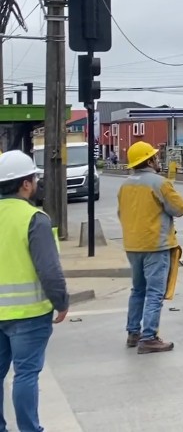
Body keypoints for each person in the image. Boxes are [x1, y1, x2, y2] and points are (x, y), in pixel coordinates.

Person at [0, 150, 69, 432]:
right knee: (26, 374)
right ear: (25, 184)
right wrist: (61, 301)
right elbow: (49, 270)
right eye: (34, 178)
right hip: (29, 314)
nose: (37, 183)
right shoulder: (34, 219)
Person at [118, 141, 183, 354]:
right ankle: (149, 337)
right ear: (149, 161)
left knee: (137, 289)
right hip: (155, 245)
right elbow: (179, 208)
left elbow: (121, 214)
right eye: (155, 157)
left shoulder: (125, 185)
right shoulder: (160, 183)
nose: (158, 160)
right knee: (155, 292)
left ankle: (133, 332)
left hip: (133, 245)